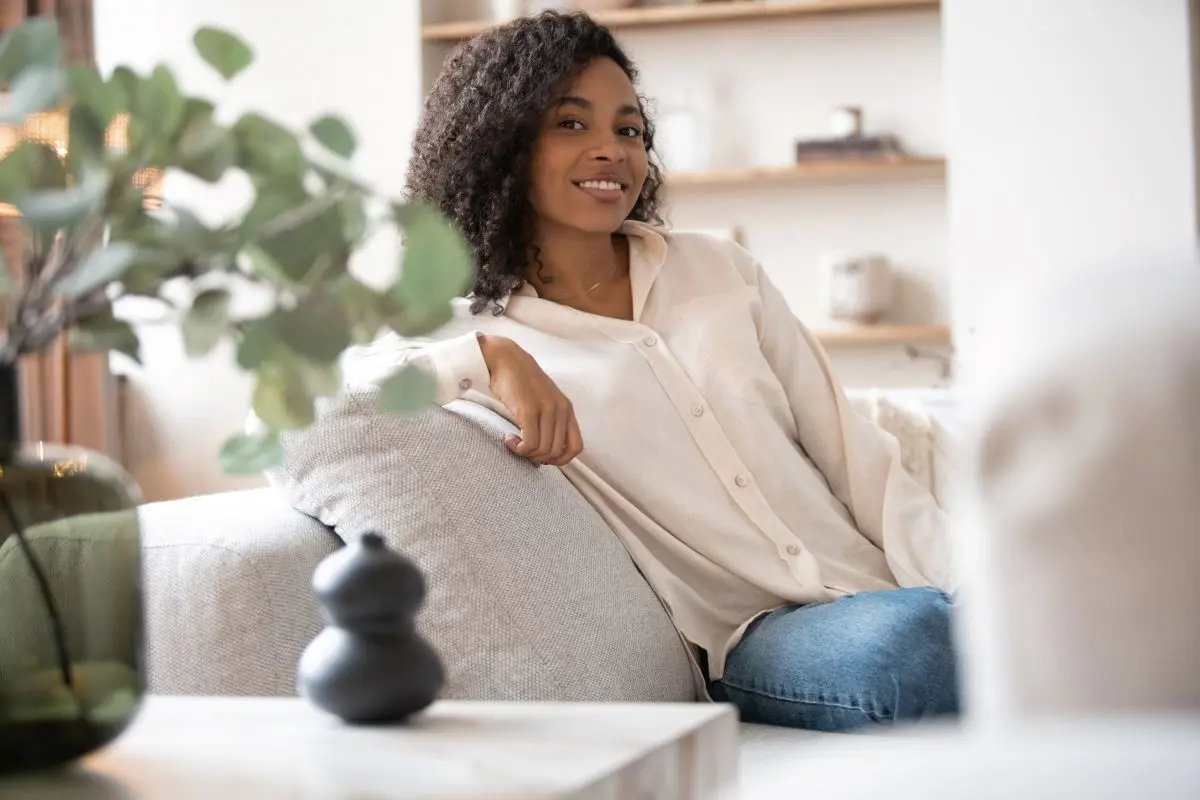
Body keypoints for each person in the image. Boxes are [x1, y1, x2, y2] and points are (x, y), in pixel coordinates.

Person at [386, 10, 958, 732]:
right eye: (571, 124)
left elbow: (857, 458)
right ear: (500, 144)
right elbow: (297, 414)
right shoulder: (473, 329)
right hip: (758, 640)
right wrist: (488, 357)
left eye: (629, 130)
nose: (610, 152)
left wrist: (969, 586)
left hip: (885, 590)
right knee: (912, 650)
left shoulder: (719, 267)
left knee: (988, 617)